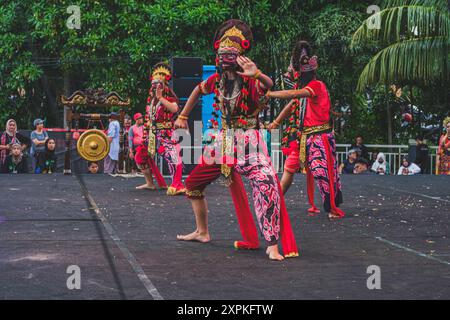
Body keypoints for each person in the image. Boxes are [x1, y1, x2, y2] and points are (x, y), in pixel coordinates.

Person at [174, 19, 298, 261]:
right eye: (222, 54)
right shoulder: (216, 80)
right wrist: (182, 115)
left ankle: (272, 244)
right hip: (224, 141)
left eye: (232, 54)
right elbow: (198, 90)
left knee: (265, 183)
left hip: (248, 140)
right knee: (192, 184)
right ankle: (202, 232)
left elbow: (269, 87)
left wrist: (259, 74)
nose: (226, 58)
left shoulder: (251, 79)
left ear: (241, 55)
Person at [267, 40, 345, 220]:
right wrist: (276, 122)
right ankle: (274, 202)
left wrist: (271, 94)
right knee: (288, 170)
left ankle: (332, 207)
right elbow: (293, 103)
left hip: (320, 138)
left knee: (322, 173)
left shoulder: (316, 86)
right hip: (304, 138)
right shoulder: (304, 89)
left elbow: (293, 95)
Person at [135, 63, 185, 195]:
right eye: (153, 83)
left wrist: (161, 98)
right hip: (151, 133)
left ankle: (177, 184)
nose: (155, 86)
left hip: (166, 133)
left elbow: (174, 109)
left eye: (158, 84)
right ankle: (150, 183)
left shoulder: (168, 98)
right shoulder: (151, 100)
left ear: (164, 86)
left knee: (173, 157)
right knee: (140, 156)